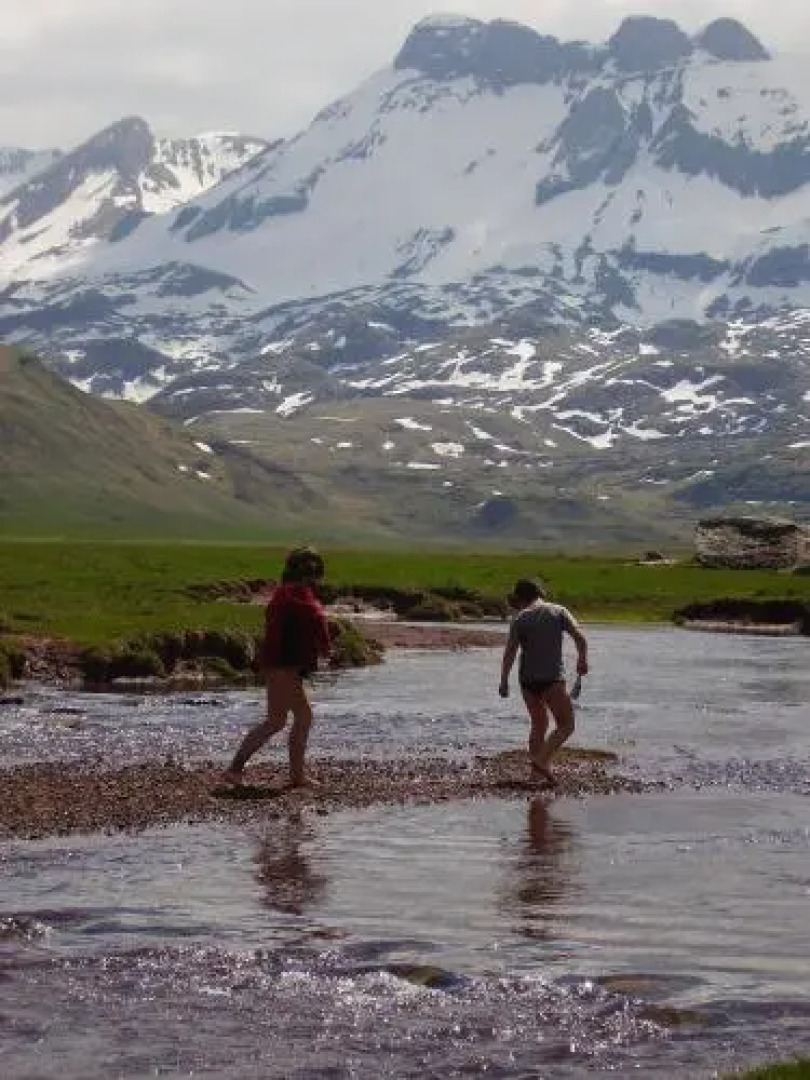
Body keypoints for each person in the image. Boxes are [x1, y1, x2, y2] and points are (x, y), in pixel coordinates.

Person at [224, 546, 331, 789]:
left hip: (280, 664)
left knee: (284, 720)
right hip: (284, 665)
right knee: (292, 719)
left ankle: (243, 770)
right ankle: (288, 777)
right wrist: (324, 646)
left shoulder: (286, 594)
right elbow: (315, 617)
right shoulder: (295, 596)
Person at [498, 578, 589, 785]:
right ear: (540, 593)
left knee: (539, 723)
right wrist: (582, 660)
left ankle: (535, 776)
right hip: (551, 678)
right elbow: (579, 637)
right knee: (566, 725)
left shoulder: (520, 618)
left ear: (520, 598)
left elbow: (510, 652)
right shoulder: (558, 611)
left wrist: (504, 681)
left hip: (527, 680)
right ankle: (541, 761)